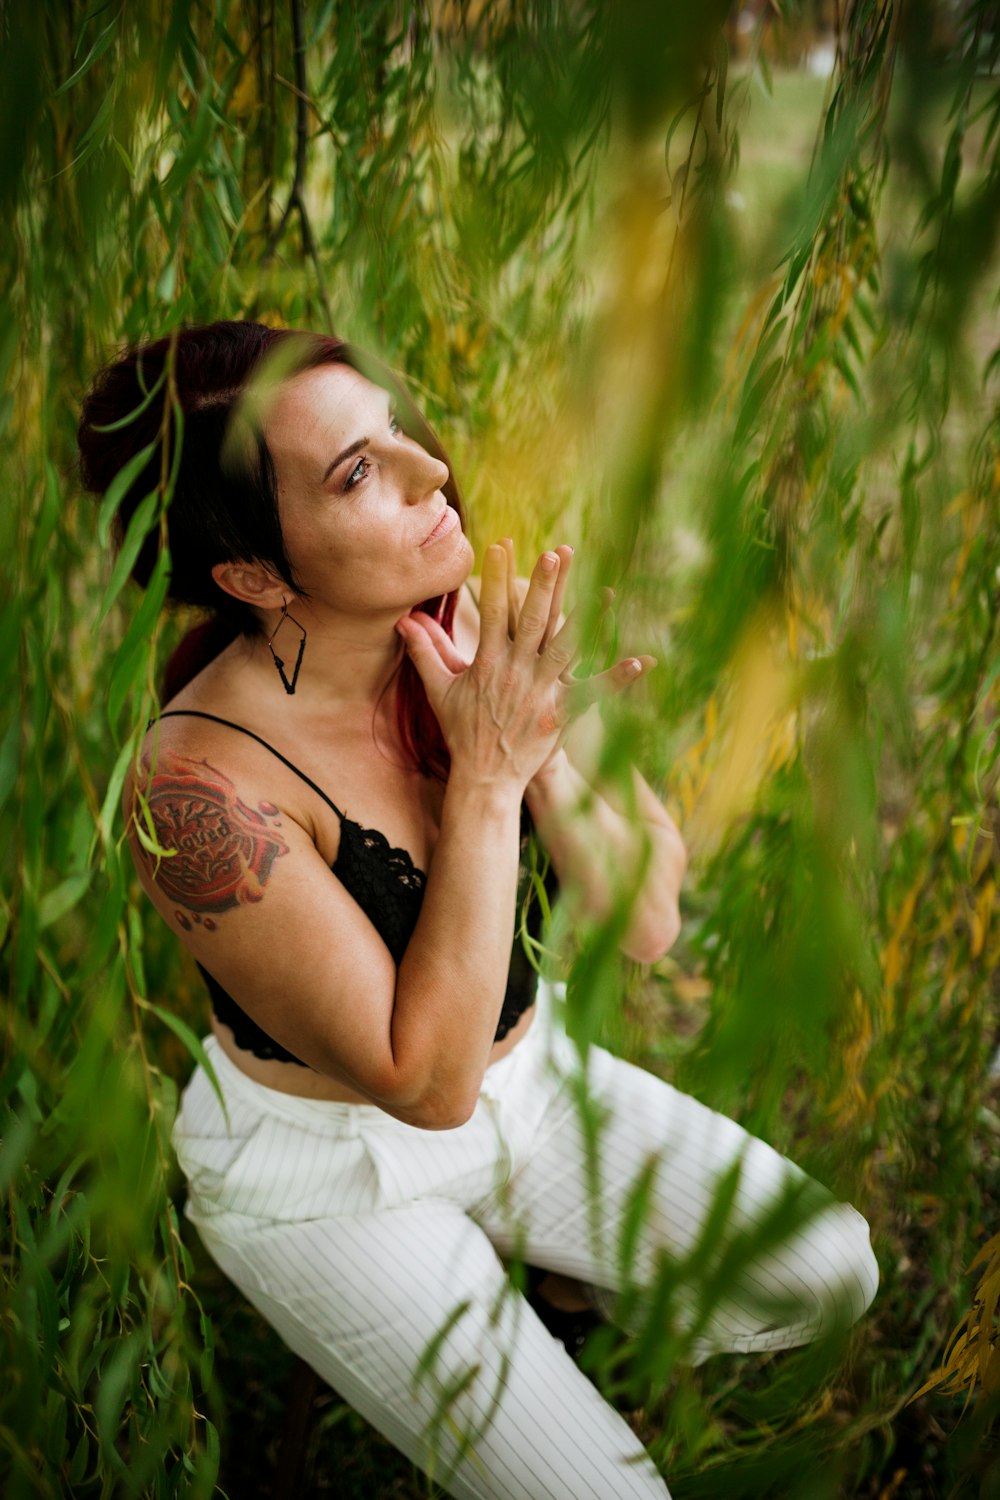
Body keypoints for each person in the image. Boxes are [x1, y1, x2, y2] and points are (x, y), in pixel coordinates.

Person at [78, 320, 878, 1500]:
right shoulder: (198, 789)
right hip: (333, 1181)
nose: (431, 472)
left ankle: (560, 1287)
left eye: (397, 426)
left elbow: (645, 921)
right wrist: (490, 780)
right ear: (254, 575)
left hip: (529, 1082)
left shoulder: (466, 628)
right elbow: (424, 1083)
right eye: (360, 472)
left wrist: (533, 752)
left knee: (831, 1270)